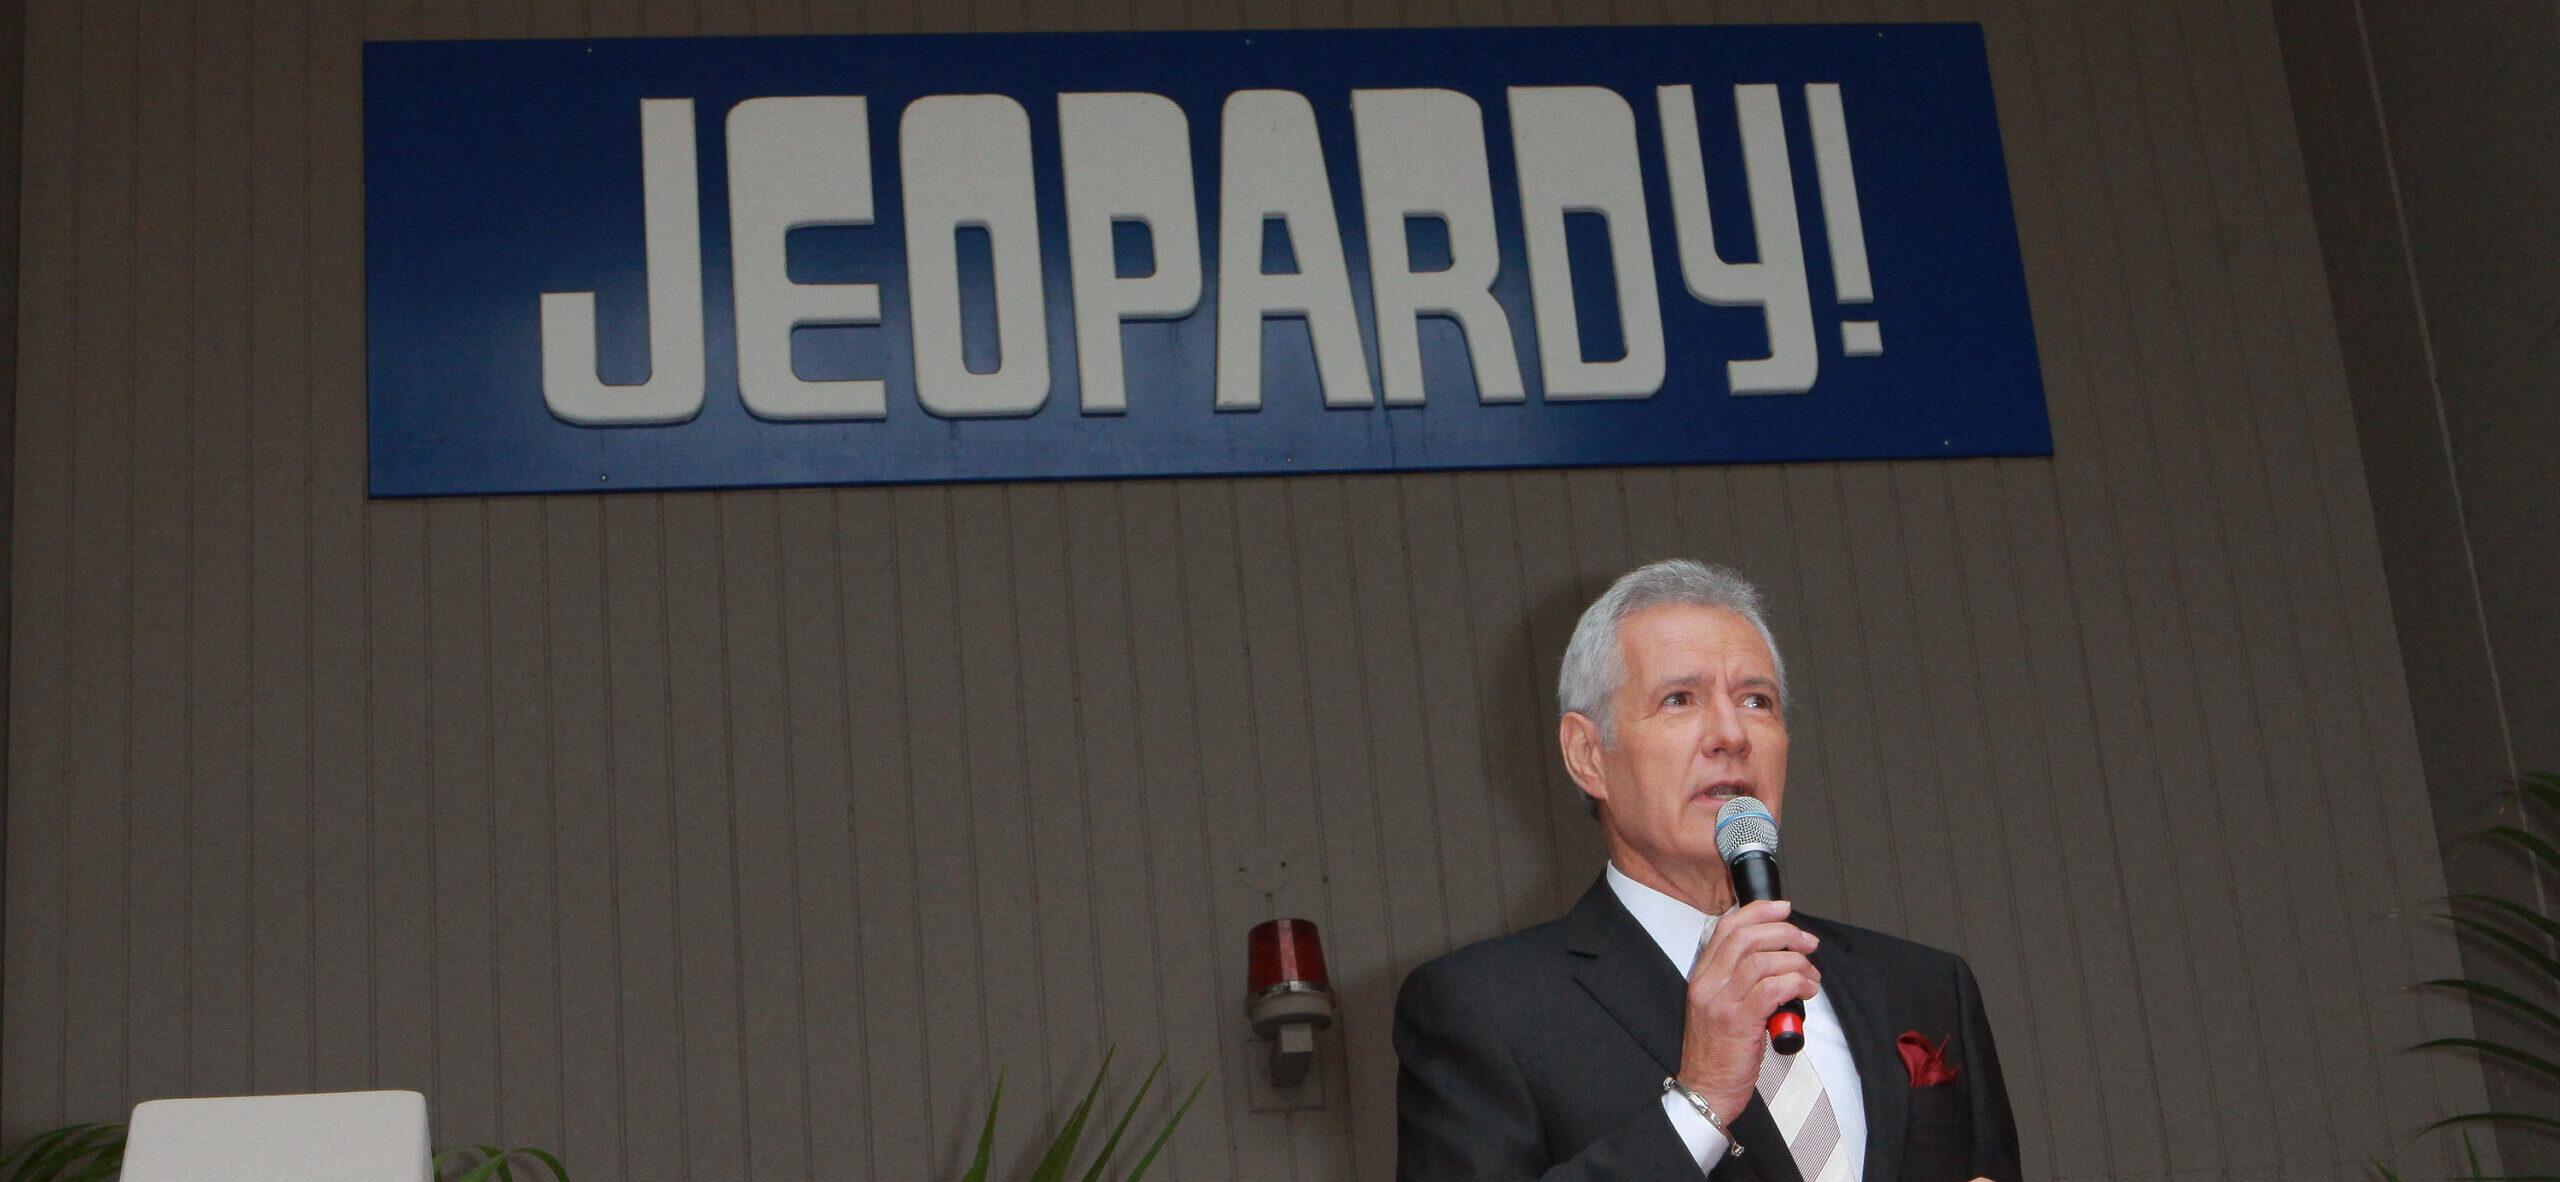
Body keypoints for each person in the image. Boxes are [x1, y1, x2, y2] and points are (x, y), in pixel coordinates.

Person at [1393, 560, 2021, 1182]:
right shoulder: (1483, 1009)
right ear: (1588, 756)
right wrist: (1701, 1102)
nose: (1731, 733)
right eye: (1679, 700)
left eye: (1757, 700)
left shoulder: (1926, 987)